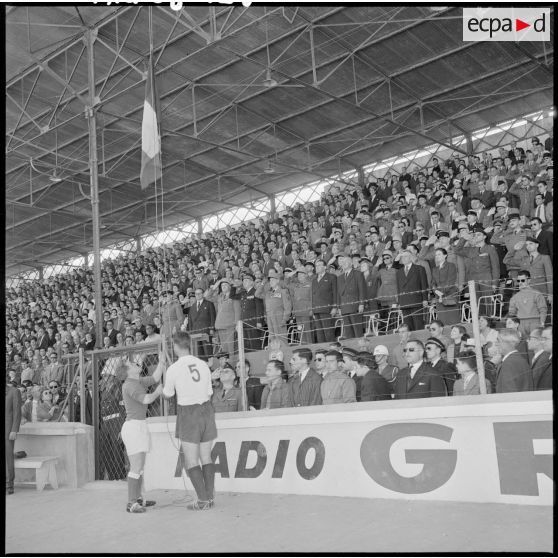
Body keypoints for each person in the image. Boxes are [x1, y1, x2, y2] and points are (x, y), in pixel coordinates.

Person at [162, 331, 217, 511]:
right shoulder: (202, 364)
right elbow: (209, 392)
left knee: (191, 460)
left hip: (189, 412)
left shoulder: (174, 368)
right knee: (206, 456)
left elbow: (168, 394)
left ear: (175, 346)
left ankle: (202, 499)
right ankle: (209, 497)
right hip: (207, 410)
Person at [115, 356, 164, 513]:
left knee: (139, 466)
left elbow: (156, 377)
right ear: (128, 371)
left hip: (139, 425)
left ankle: (138, 499)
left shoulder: (138, 381)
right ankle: (131, 503)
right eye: (130, 363)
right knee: (136, 466)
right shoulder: (130, 385)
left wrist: (161, 361)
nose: (135, 363)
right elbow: (147, 399)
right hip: (134, 427)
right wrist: (158, 391)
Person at [507, 270, 548, 335]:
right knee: (522, 344)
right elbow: (512, 313)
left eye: (523, 280)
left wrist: (542, 323)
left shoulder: (537, 294)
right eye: (518, 281)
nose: (520, 283)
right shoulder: (515, 297)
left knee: (534, 344)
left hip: (535, 323)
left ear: (529, 280)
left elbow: (543, 310)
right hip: (521, 324)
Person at [396, 249, 429, 331]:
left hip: (416, 301)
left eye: (406, 256)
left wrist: (425, 299)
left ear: (411, 258)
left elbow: (424, 285)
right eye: (402, 257)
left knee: (418, 325)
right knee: (408, 326)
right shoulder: (399, 272)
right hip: (404, 302)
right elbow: (399, 288)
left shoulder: (419, 268)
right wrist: (399, 302)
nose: (403, 258)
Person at [336, 254, 366, 338]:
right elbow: (338, 293)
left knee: (357, 330)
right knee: (348, 331)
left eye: (346, 262)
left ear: (351, 263)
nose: (344, 263)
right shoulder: (339, 277)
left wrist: (361, 304)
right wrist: (339, 307)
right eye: (343, 262)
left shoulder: (358, 274)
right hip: (344, 306)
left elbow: (362, 290)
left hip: (355, 306)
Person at [495, 328, 533, 393]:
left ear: (509, 342)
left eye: (498, 341)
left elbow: (508, 395)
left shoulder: (508, 363)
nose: (496, 344)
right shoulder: (519, 359)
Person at [431, 248, 460, 327]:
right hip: (439, 298)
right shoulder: (434, 269)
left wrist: (441, 293)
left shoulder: (451, 265)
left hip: (449, 295)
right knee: (442, 322)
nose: (437, 256)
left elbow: (450, 281)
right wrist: (436, 291)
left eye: (439, 254)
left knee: (453, 321)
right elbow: (433, 283)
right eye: (436, 255)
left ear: (445, 255)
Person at [311, 259, 338, 343]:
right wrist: (313, 309)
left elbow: (335, 292)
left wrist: (335, 307)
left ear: (325, 267)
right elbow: (313, 295)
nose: (317, 267)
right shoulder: (314, 280)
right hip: (316, 309)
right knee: (319, 334)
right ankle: (322, 352)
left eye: (319, 265)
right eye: (316, 265)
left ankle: (332, 351)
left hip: (327, 309)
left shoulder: (331, 277)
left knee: (328, 333)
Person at [6, 381, 22, 495]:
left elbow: (17, 412)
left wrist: (14, 430)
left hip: (8, 430)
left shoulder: (14, 392)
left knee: (8, 457)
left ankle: (9, 484)